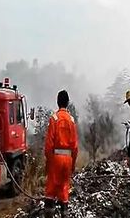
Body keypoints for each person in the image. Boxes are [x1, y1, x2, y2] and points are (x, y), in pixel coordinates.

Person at [44, 90, 78, 218]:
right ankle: (65, 214)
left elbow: (49, 145)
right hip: (68, 159)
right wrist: (73, 163)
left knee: (51, 188)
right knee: (64, 188)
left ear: (57, 102)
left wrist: (49, 161)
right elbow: (75, 146)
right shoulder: (72, 120)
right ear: (68, 103)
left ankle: (49, 215)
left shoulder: (54, 118)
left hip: (56, 158)